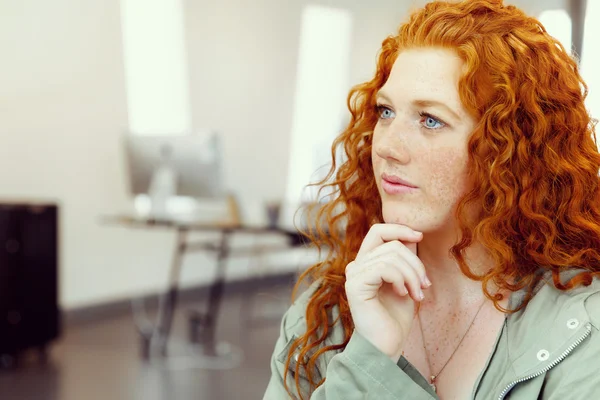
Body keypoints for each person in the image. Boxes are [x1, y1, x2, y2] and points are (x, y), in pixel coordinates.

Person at [263, 0, 600, 399]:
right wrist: (367, 352)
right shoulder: (324, 315)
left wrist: (374, 376)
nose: (386, 146)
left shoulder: (582, 329)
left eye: (430, 120)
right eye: (385, 112)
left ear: (509, 150)